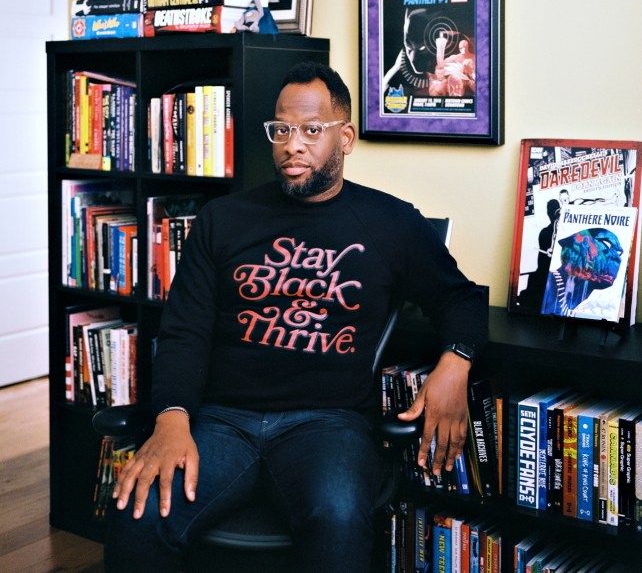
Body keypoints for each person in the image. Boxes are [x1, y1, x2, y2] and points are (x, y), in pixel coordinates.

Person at [105, 62, 487, 572]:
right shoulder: (223, 220)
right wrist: (172, 417)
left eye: (311, 130)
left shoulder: (392, 223)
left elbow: (461, 298)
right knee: (140, 511)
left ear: (345, 137)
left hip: (327, 425)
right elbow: (183, 331)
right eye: (281, 130)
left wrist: (455, 363)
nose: (292, 145)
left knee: (338, 515)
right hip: (220, 421)